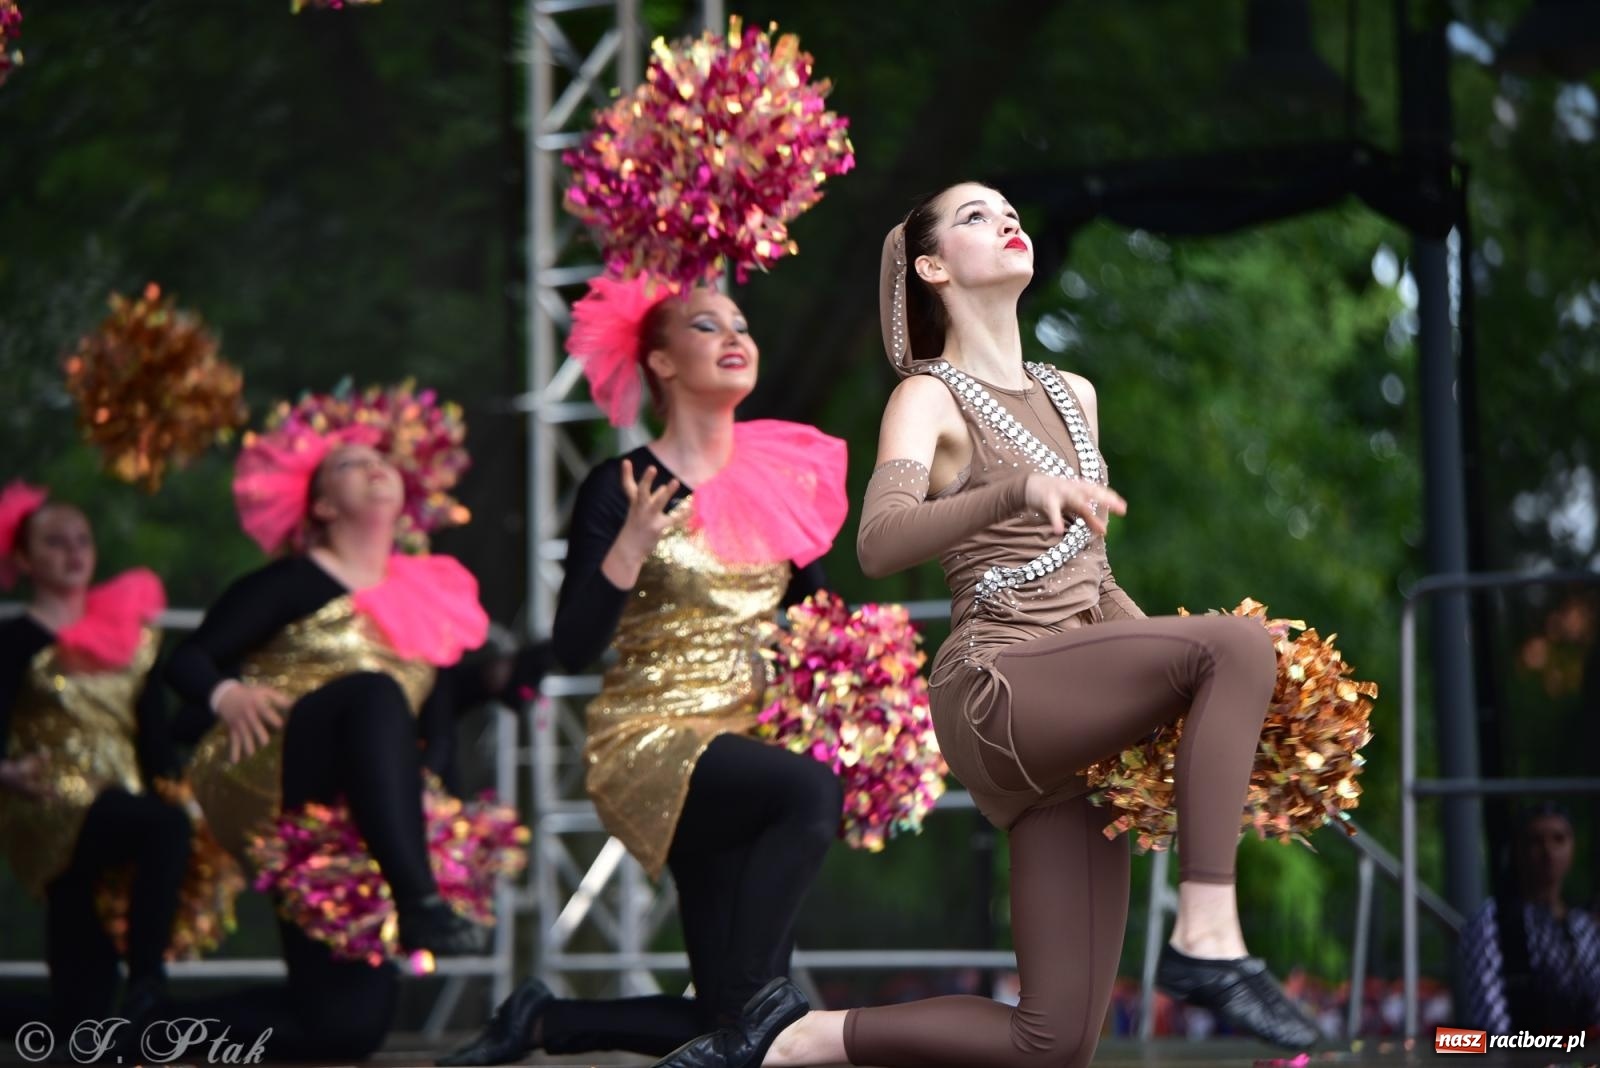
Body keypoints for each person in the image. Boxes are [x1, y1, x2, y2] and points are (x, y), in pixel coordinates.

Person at [652, 182, 1322, 1068]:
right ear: (932, 267)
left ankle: (796, 1036)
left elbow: (1095, 582)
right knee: (1235, 644)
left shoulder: (1074, 393)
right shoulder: (927, 397)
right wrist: (1013, 491)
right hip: (997, 686)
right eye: (974, 215)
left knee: (1052, 1043)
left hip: (1075, 723)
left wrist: (1215, 701)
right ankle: (1206, 939)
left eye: (1010, 210)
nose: (1006, 220)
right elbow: (881, 540)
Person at [438, 275, 848, 1065]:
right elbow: (571, 648)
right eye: (706, 326)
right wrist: (631, 540)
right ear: (659, 360)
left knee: (738, 1033)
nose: (735, 336)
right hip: (656, 739)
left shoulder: (776, 480)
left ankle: (544, 1023)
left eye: (741, 323)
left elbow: (820, 622)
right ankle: (761, 1011)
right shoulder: (619, 486)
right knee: (810, 789)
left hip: (743, 743)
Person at [164, 415, 506, 1061]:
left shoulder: (425, 592)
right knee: (373, 690)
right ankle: (419, 901)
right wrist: (228, 694)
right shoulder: (291, 581)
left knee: (343, 1032)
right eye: (350, 464)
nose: (375, 466)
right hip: (266, 760)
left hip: (360, 812)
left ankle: (143, 1027)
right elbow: (184, 661)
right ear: (322, 505)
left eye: (379, 458)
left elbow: (439, 716)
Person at [0, 481, 191, 1037]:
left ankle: (88, 1015)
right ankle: (149, 981)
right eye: (56, 543)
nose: (74, 553)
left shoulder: (126, 633)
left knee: (77, 1013)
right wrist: (6, 773)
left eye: (82, 540)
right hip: (49, 795)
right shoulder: (15, 641)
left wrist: (181, 788)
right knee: (160, 828)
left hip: (122, 795)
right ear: (25, 559)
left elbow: (153, 735)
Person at [1458, 802, 1600, 1034]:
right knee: (1445, 1042)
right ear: (1518, 851)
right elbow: (1491, 1026)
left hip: (1577, 1056)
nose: (1548, 852)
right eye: (1536, 841)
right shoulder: (1491, 920)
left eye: (1558, 839)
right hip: (1514, 1055)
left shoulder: (1583, 926)